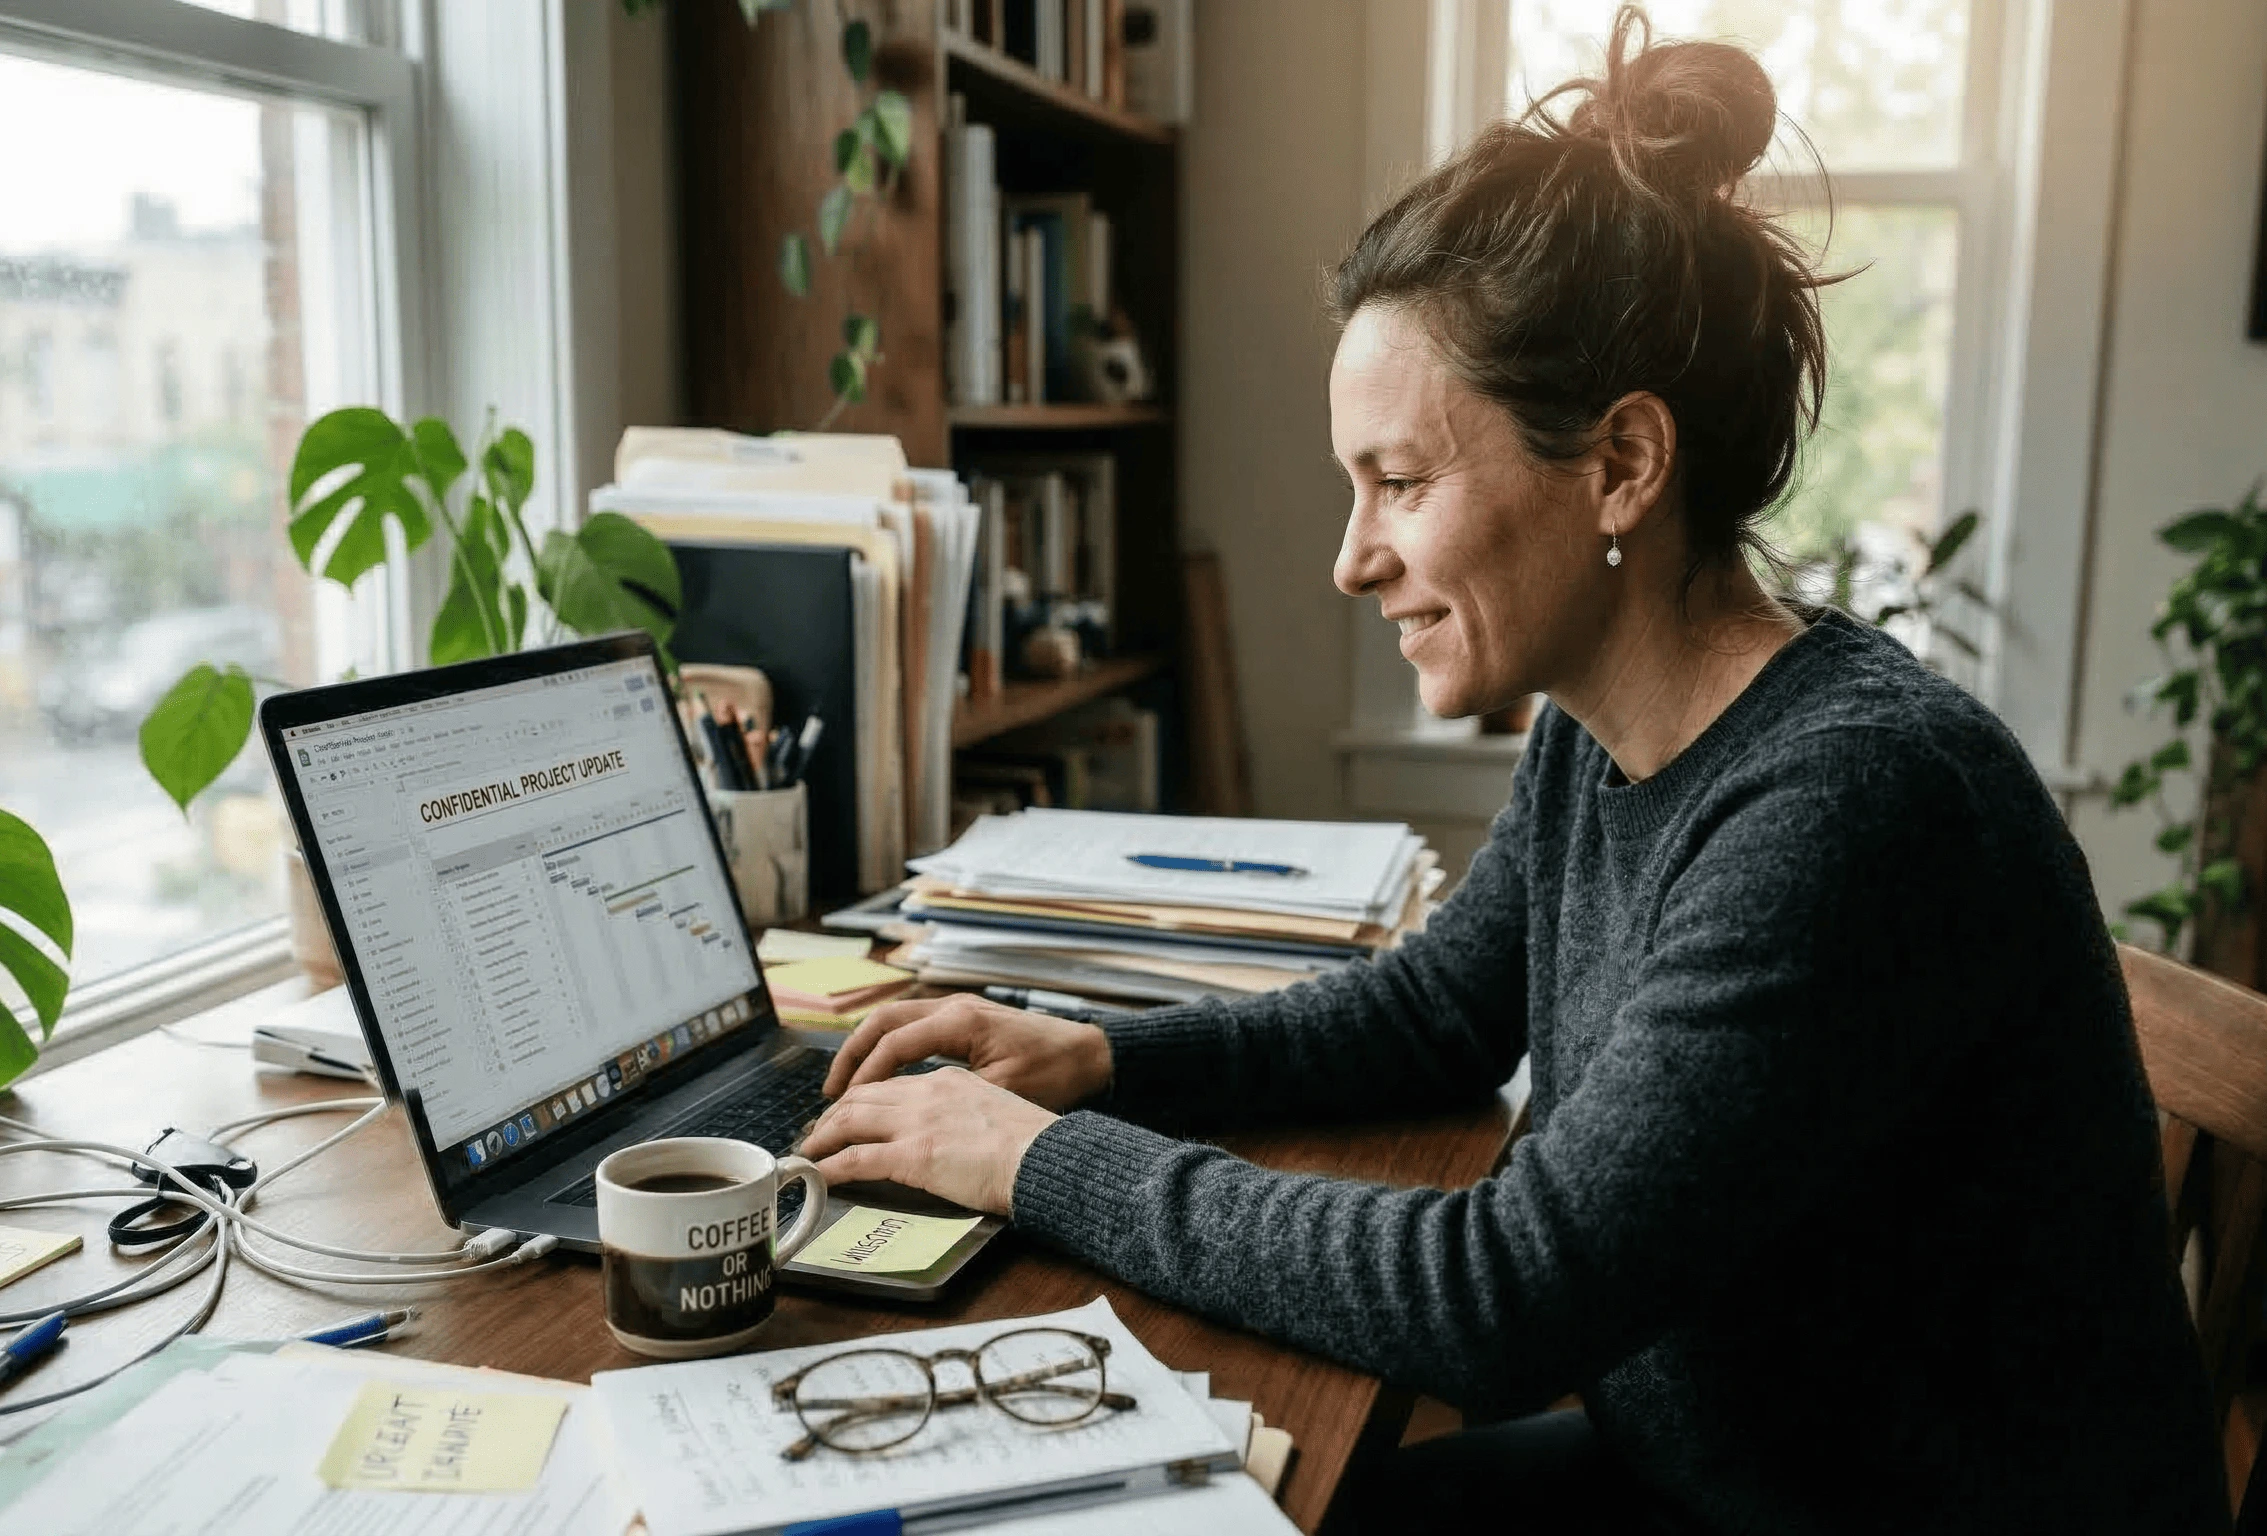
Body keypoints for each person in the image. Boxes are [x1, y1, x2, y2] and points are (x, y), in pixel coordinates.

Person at [800, 8, 2225, 1529]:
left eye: (1400, 483)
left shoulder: (1855, 802)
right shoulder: (1598, 726)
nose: (1352, 559)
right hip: (1725, 1479)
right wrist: (1096, 1058)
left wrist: (1038, 1163)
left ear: (1621, 464)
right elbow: (1436, 1012)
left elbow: (1498, 1296)